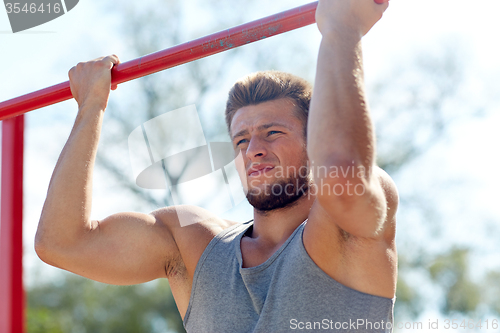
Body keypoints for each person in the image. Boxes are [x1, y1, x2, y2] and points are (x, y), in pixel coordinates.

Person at [35, 0, 398, 332]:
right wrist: (91, 107)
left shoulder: (348, 227)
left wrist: (342, 29)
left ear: (312, 142)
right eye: (241, 140)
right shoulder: (193, 241)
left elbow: (340, 173)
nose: (254, 149)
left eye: (272, 132)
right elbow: (60, 243)